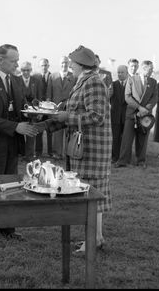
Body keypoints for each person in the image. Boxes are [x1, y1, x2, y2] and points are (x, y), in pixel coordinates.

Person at [36, 45, 112, 253]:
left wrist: (66, 117)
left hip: (92, 150)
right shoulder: (84, 81)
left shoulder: (93, 83)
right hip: (83, 148)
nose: (70, 67)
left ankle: (93, 240)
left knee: (91, 196)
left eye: (72, 63)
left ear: (81, 65)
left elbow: (96, 116)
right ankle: (96, 238)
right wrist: (44, 125)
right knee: (90, 195)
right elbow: (71, 113)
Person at [0, 44, 39, 242]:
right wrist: (15, 127)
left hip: (12, 143)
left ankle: (8, 229)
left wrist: (36, 111)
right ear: (0, 60)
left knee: (11, 187)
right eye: (13, 60)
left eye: (17, 60)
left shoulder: (16, 81)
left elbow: (21, 107)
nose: (17, 64)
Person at [114, 60, 158, 169]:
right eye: (150, 68)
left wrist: (145, 110)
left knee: (143, 138)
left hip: (145, 115)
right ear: (144, 68)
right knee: (126, 139)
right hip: (132, 114)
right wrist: (139, 108)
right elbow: (127, 96)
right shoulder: (132, 79)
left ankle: (141, 161)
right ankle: (123, 161)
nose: (152, 70)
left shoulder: (153, 82)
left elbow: (154, 98)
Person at [46, 56, 76, 160]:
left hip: (69, 108)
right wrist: (50, 106)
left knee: (69, 132)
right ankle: (57, 154)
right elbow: (49, 93)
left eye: (66, 63)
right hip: (56, 109)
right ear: (60, 64)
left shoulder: (74, 77)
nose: (64, 65)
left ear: (69, 64)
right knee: (57, 132)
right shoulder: (52, 76)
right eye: (62, 63)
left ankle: (68, 153)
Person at [19, 60, 42, 161]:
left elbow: (40, 96)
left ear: (31, 70)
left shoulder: (36, 80)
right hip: (20, 112)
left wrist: (40, 111)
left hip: (34, 112)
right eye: (24, 70)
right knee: (19, 133)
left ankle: (29, 155)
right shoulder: (16, 80)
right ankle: (20, 153)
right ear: (21, 70)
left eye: (28, 70)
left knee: (31, 133)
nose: (26, 72)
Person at [33, 57, 53, 157]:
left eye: (45, 65)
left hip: (50, 108)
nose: (44, 67)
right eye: (42, 65)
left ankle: (50, 152)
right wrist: (39, 108)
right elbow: (35, 93)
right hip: (39, 108)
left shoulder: (52, 76)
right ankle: (38, 152)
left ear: (48, 66)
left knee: (50, 130)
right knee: (38, 130)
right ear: (39, 66)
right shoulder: (35, 77)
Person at [110, 65, 128, 163]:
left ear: (127, 73)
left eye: (122, 72)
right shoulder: (113, 84)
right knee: (115, 138)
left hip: (126, 116)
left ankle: (124, 157)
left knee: (125, 138)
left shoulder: (130, 84)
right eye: (118, 72)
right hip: (115, 115)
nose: (120, 74)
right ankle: (115, 157)